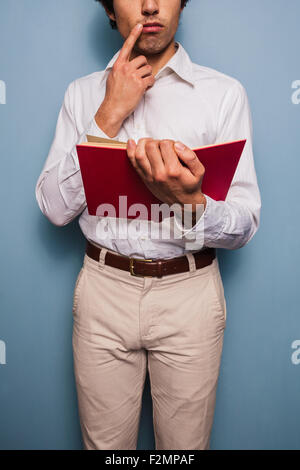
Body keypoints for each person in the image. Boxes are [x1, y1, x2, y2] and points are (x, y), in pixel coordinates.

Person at [35, 0, 261, 450]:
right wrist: (107, 117)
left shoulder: (223, 93)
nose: (151, 5)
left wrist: (191, 203)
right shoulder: (82, 94)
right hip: (104, 291)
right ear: (109, 11)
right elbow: (54, 209)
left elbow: (245, 222)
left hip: (189, 296)